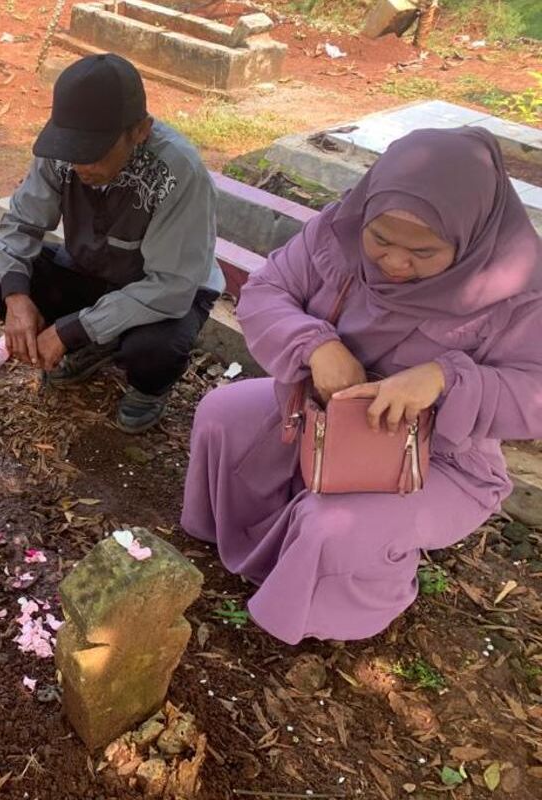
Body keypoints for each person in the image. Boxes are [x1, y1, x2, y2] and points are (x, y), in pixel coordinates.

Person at [182, 128, 542, 645]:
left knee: (333, 524)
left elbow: (534, 391)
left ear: (468, 238)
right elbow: (268, 291)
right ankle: (247, 543)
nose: (394, 263)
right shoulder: (339, 231)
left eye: (423, 251)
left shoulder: (515, 289)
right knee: (222, 413)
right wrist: (316, 345)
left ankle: (320, 616)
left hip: (436, 456)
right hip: (318, 416)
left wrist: (445, 378)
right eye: (381, 239)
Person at [0, 53, 223, 432]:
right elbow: (21, 223)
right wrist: (16, 298)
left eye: (94, 151)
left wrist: (69, 330)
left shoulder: (179, 172)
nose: (80, 164)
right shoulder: (62, 153)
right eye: (71, 147)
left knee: (153, 352)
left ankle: (147, 387)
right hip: (91, 269)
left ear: (140, 131)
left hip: (167, 292)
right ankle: (92, 344)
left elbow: (171, 285)